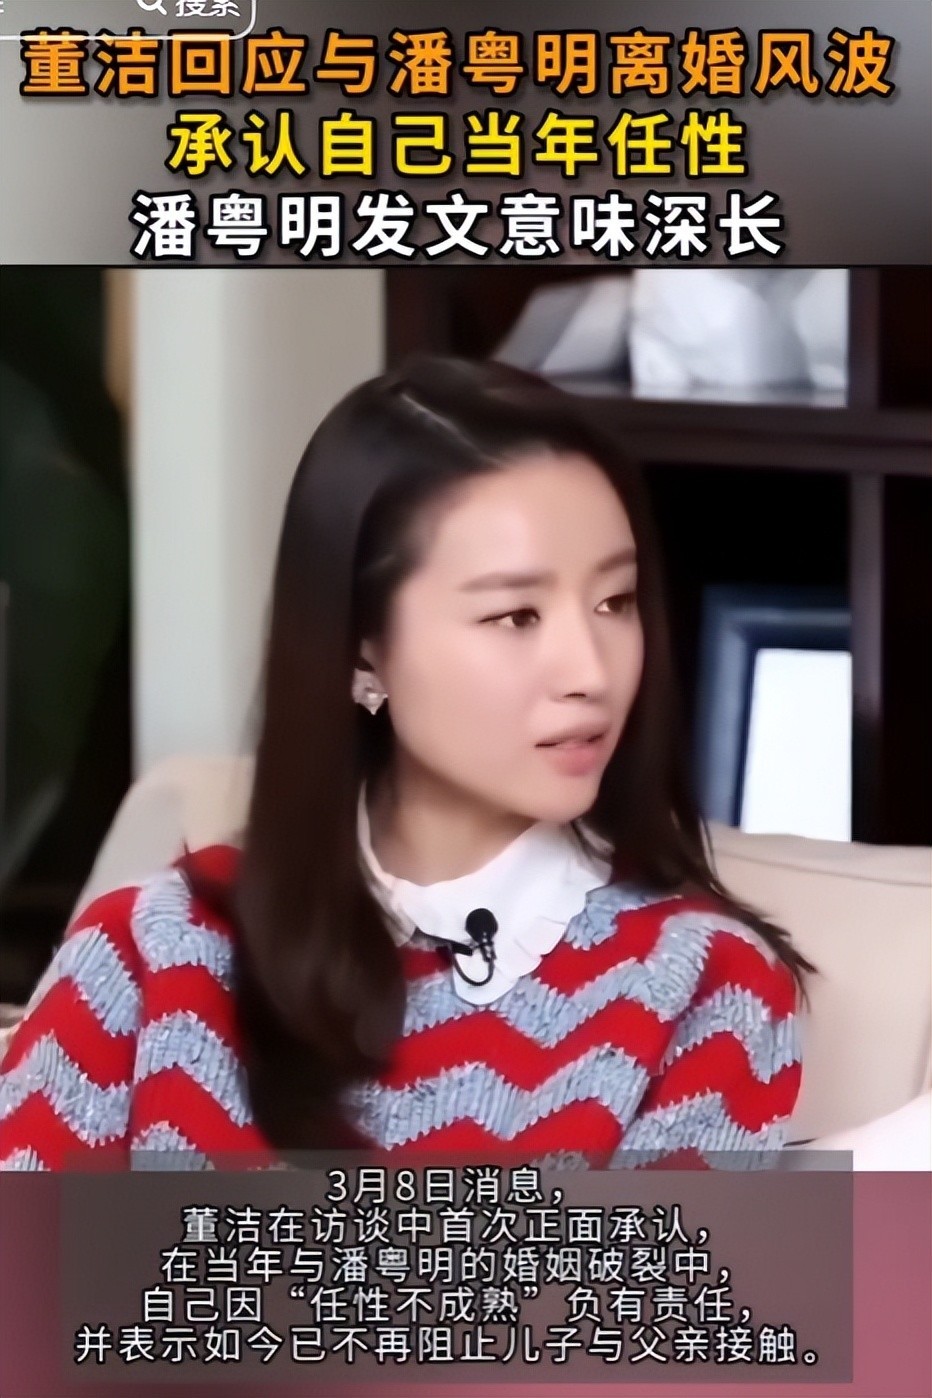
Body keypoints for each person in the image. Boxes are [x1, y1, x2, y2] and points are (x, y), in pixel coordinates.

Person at [0, 356, 813, 1172]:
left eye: (615, 602)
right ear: (363, 645)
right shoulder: (152, 949)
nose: (591, 672)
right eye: (516, 615)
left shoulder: (707, 988)